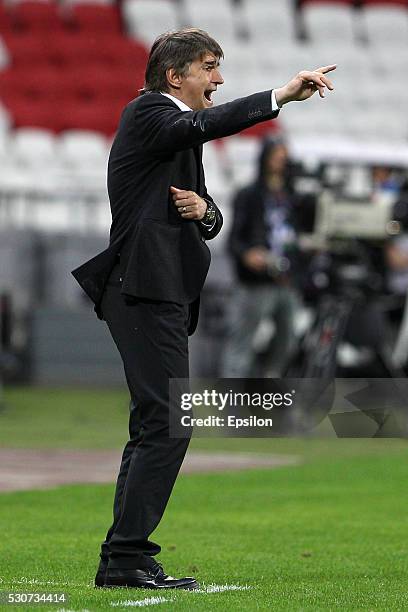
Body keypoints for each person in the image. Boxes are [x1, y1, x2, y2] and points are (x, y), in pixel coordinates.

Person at [71, 27, 336, 590]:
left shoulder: (173, 130)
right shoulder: (149, 114)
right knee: (168, 423)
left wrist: (206, 212)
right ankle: (126, 555)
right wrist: (278, 98)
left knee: (157, 423)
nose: (219, 79)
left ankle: (124, 558)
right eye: (210, 67)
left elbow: (202, 214)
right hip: (141, 287)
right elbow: (202, 125)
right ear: (175, 76)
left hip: (160, 288)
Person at [222, 136, 302, 378]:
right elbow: (233, 240)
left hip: (286, 281)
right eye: (276, 155)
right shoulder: (249, 194)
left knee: (287, 342)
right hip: (254, 283)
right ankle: (232, 409)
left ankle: (267, 393)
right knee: (241, 344)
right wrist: (248, 255)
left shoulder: (293, 196)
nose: (280, 161)